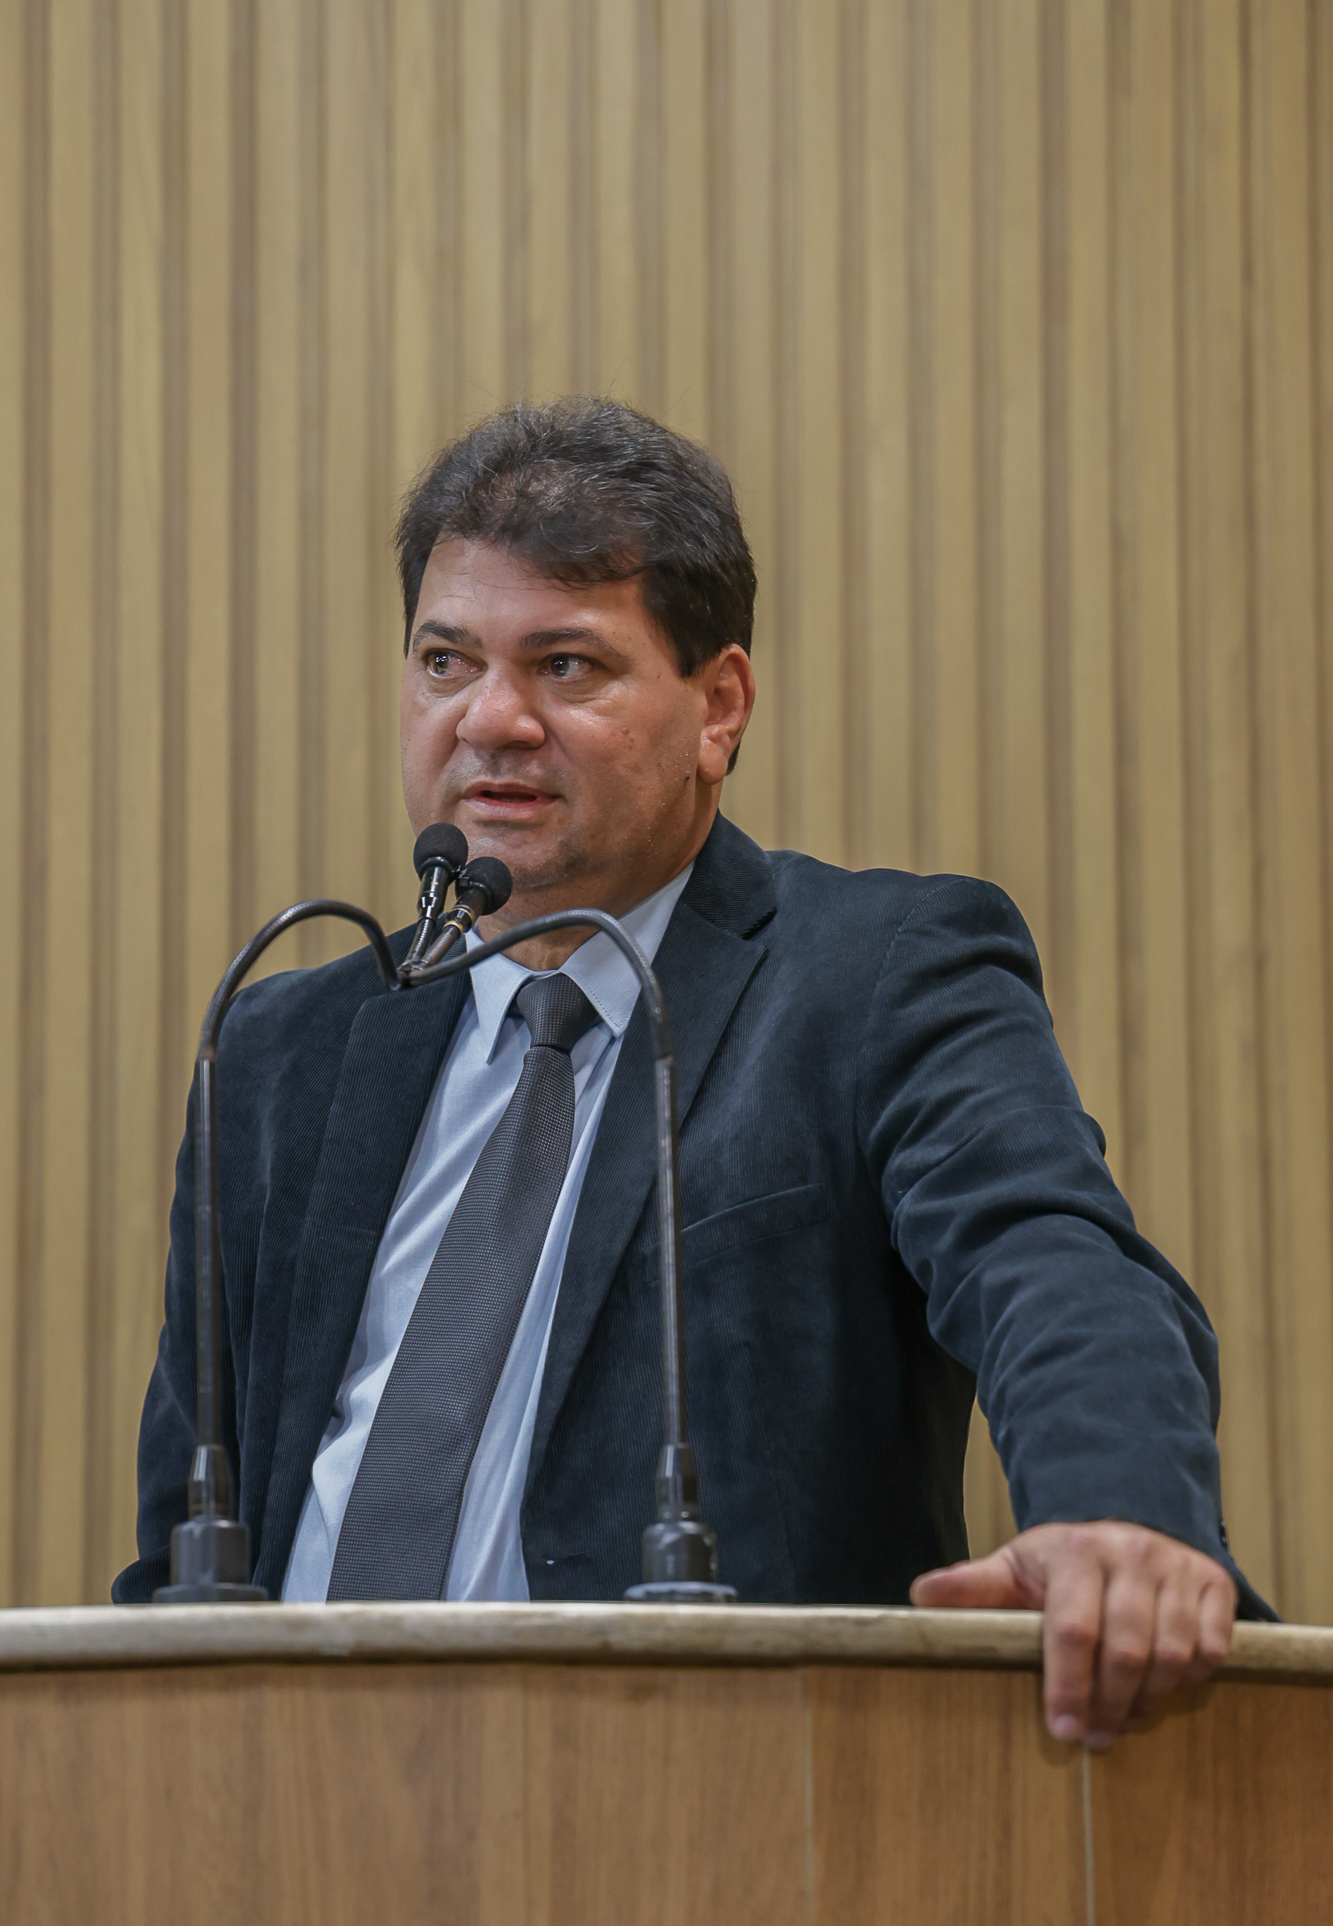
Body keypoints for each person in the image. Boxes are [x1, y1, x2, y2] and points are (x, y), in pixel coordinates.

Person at [115, 397, 1267, 1748]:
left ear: (718, 708)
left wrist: (1118, 1506)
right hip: (287, 1799)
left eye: (565, 665)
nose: (491, 719)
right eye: (445, 661)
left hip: (710, 1795)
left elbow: (1046, 1256)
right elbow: (185, 1540)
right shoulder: (278, 1056)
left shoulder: (872, 979)